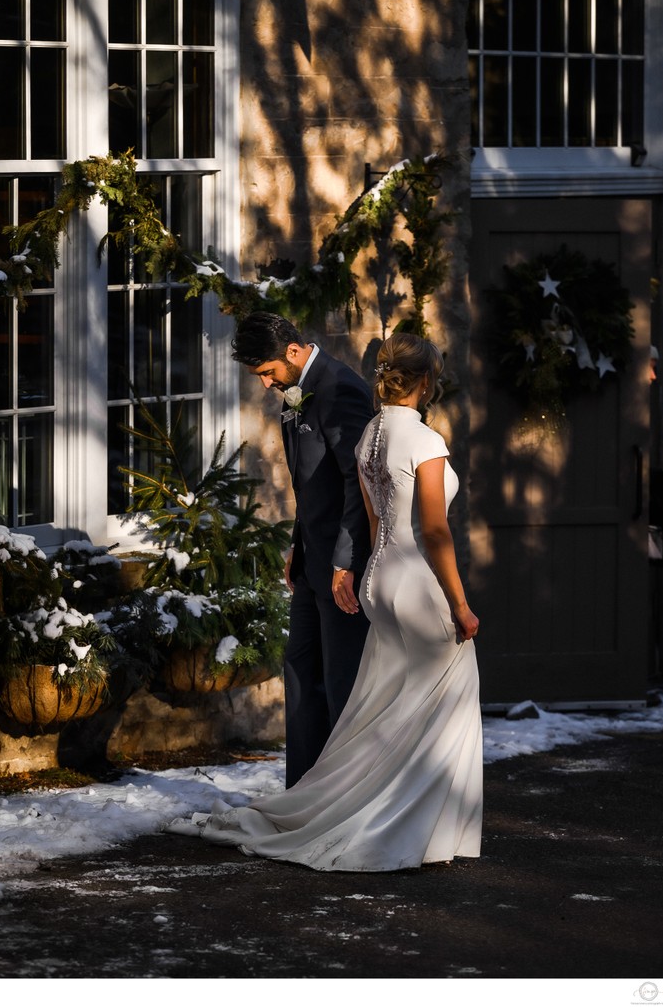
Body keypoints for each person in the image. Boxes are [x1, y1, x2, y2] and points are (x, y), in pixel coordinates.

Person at [169, 333, 483, 871]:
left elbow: (379, 522)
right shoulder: (426, 441)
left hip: (379, 579)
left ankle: (357, 805)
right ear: (426, 382)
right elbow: (433, 530)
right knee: (442, 701)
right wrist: (459, 602)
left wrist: (362, 571)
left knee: (382, 705)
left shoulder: (370, 437)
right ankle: (421, 828)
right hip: (415, 580)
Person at [230, 312, 373, 787]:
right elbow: (313, 485)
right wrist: (298, 543)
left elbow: (359, 484)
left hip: (344, 568)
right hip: (311, 560)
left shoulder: (341, 389)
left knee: (340, 681)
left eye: (268, 372)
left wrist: (346, 561)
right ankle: (303, 791)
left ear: (293, 351)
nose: (267, 383)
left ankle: (342, 794)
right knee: (299, 667)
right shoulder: (296, 392)